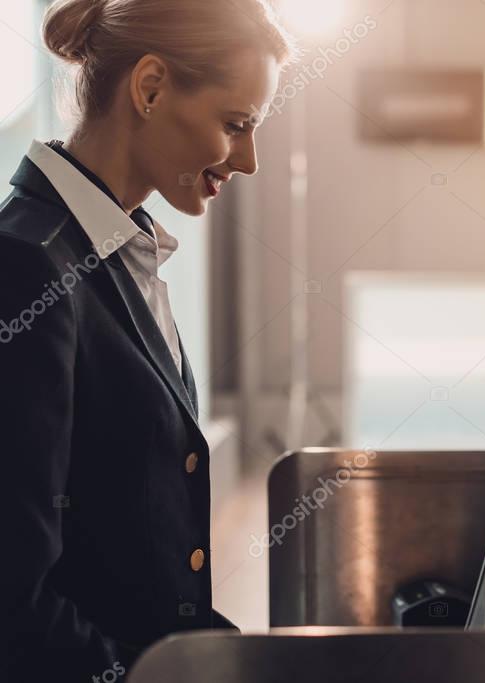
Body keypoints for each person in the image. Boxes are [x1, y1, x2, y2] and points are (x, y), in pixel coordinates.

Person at [0, 0, 295, 679]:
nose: (247, 159)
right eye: (237, 124)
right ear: (151, 88)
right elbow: (14, 601)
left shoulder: (112, 252)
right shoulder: (24, 268)